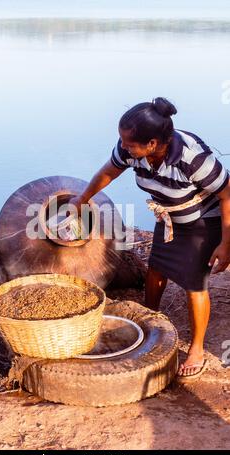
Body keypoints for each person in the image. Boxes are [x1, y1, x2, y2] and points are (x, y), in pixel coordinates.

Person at [69, 97, 230, 381]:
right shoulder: (131, 149)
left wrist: (226, 243)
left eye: (129, 144)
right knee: (156, 268)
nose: (123, 147)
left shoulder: (192, 158)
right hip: (168, 215)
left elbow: (227, 193)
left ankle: (196, 348)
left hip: (205, 221)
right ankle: (150, 318)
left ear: (153, 144)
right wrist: (82, 199)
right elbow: (109, 171)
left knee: (194, 283)